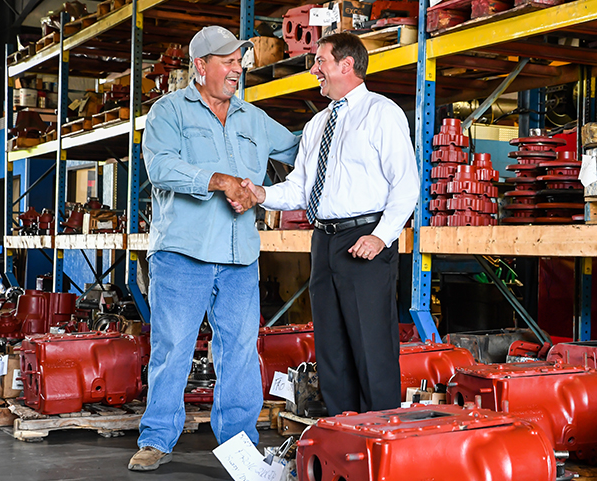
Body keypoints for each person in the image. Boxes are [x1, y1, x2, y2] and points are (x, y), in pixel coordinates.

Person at [128, 26, 300, 471]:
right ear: (200, 67)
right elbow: (162, 166)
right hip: (183, 254)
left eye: (240, 62)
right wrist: (217, 180)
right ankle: (158, 439)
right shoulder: (169, 112)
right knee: (173, 348)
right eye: (227, 62)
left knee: (241, 350)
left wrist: (340, 123)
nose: (237, 70)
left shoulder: (253, 119)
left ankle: (239, 445)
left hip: (240, 256)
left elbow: (300, 148)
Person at [238, 33, 419, 416]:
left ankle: (380, 437)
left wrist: (380, 237)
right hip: (324, 241)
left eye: (320, 61)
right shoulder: (318, 124)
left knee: (372, 349)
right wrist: (261, 194)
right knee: (332, 349)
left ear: (346, 65)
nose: (314, 69)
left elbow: (406, 185)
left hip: (365, 240)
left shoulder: (381, 113)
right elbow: (301, 188)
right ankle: (342, 436)